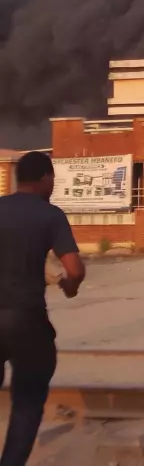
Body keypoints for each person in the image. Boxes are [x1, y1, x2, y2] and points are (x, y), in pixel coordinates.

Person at [0, 151, 85, 465]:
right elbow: (74, 269)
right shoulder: (50, 215)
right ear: (46, 179)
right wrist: (69, 286)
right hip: (26, 320)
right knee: (28, 399)